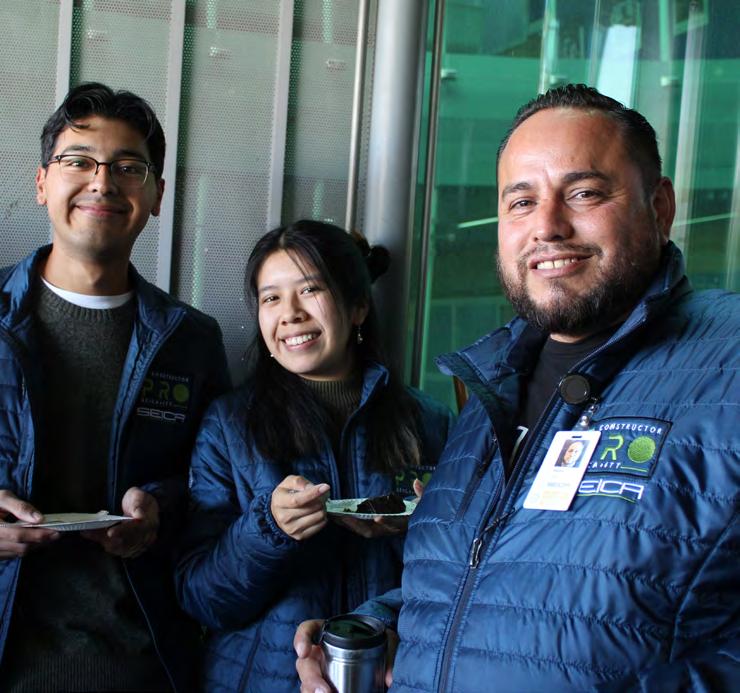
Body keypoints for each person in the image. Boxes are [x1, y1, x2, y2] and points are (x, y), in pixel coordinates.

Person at [295, 84, 739, 691]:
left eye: (584, 193)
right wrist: (389, 627)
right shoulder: (491, 388)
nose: (547, 227)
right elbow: (498, 584)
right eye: (522, 202)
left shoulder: (725, 368)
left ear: (659, 208)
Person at [0, 82, 231, 691]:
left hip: (140, 665)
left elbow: (215, 491)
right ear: (42, 182)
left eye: (129, 167)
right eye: (79, 161)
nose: (103, 183)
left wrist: (159, 508)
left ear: (156, 195)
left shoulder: (191, 340)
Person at [175, 220, 452, 692]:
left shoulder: (431, 422)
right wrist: (268, 530)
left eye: (310, 290)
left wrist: (425, 530)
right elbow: (201, 599)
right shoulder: (228, 425)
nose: (290, 314)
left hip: (393, 676)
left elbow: (457, 580)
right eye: (271, 298)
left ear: (358, 306)